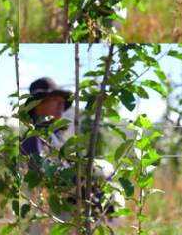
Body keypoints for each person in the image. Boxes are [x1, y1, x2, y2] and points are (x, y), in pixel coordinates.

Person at [20, 78, 123, 234]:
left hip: (66, 215)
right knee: (104, 168)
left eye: (63, 101)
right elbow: (44, 177)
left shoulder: (57, 136)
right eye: (55, 100)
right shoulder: (33, 138)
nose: (61, 105)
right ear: (38, 104)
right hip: (51, 218)